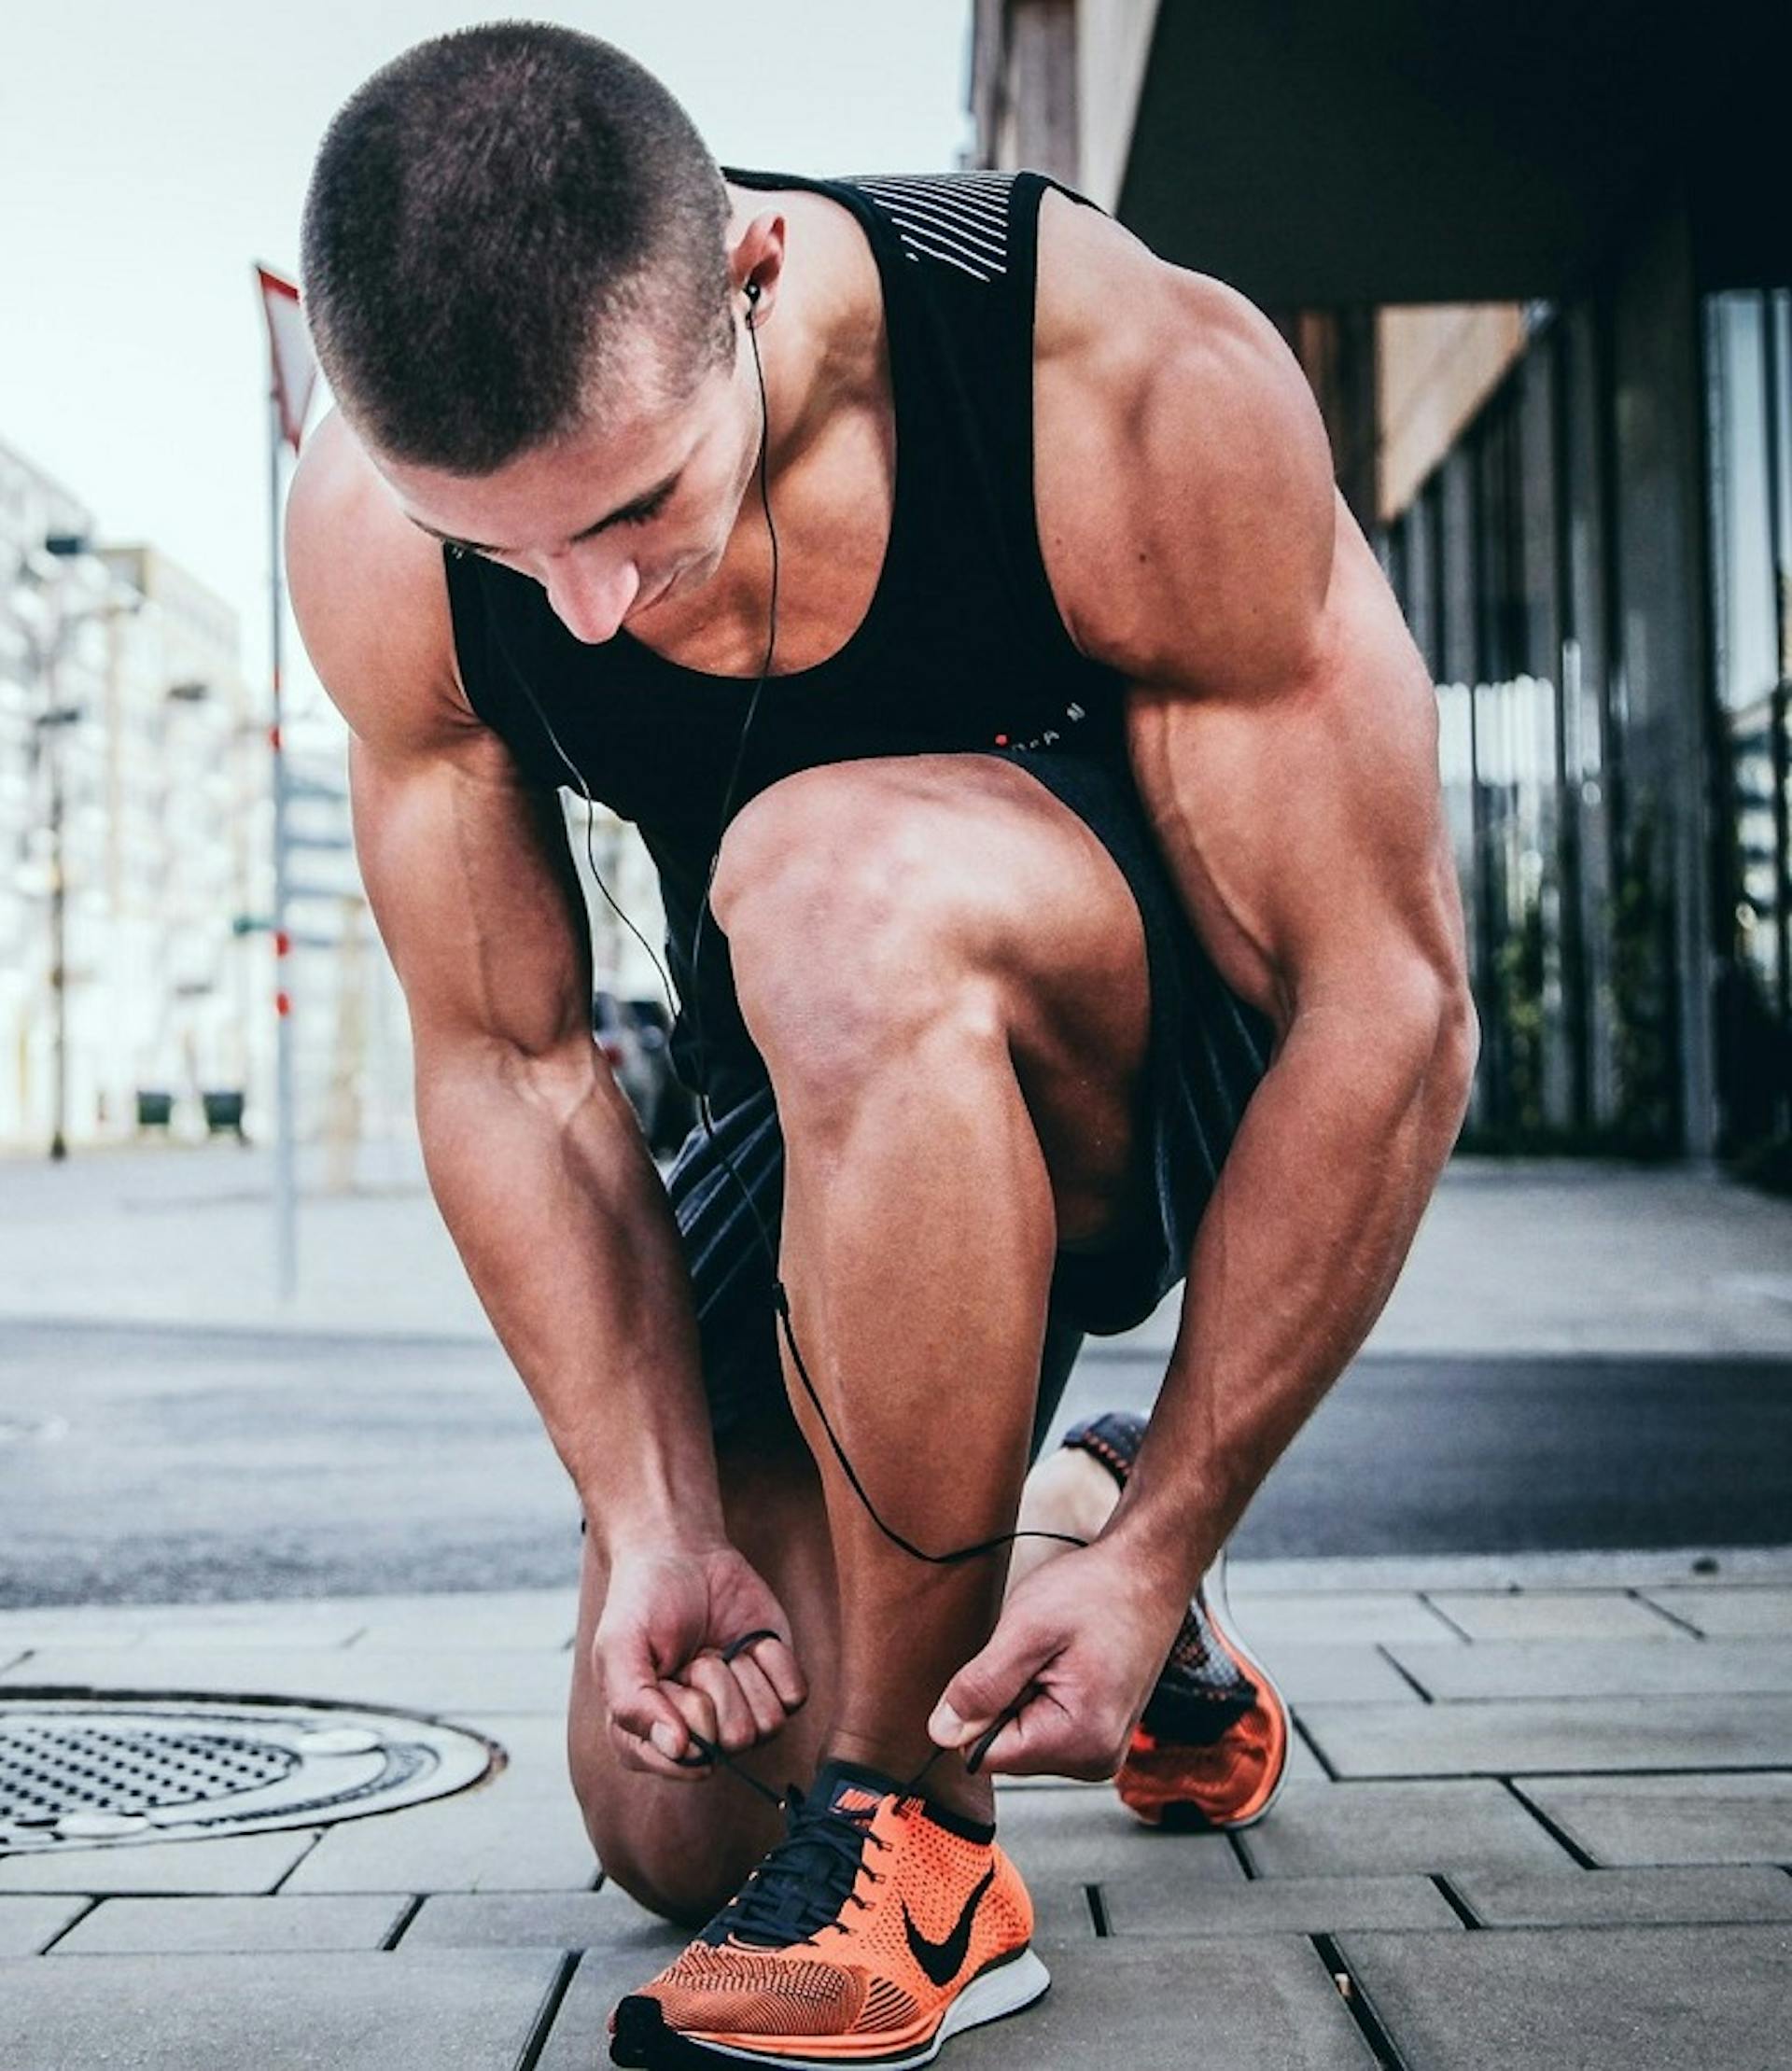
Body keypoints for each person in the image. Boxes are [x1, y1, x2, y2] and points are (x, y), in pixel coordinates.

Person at [287, 23, 1476, 2069]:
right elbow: (512, 1060)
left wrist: (1203, 1499)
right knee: (675, 1809)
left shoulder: (1096, 372)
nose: (578, 611)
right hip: (813, 1083)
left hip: (1141, 1059)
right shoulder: (385, 525)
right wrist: (650, 1513)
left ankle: (918, 1846)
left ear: (751, 276)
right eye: (509, 553)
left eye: (637, 508)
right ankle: (1059, 1549)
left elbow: (1389, 1001)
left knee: (827, 874)